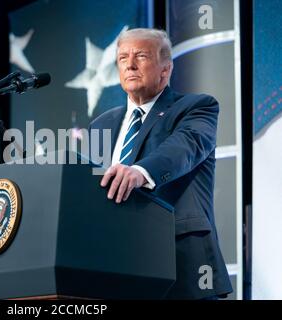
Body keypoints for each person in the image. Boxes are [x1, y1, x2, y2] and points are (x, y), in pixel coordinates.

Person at [89, 28, 232, 299]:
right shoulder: (101, 124)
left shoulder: (196, 107)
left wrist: (140, 172)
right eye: (122, 58)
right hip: (114, 267)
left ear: (165, 69)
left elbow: (184, 147)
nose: (129, 64)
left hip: (179, 267)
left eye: (140, 56)